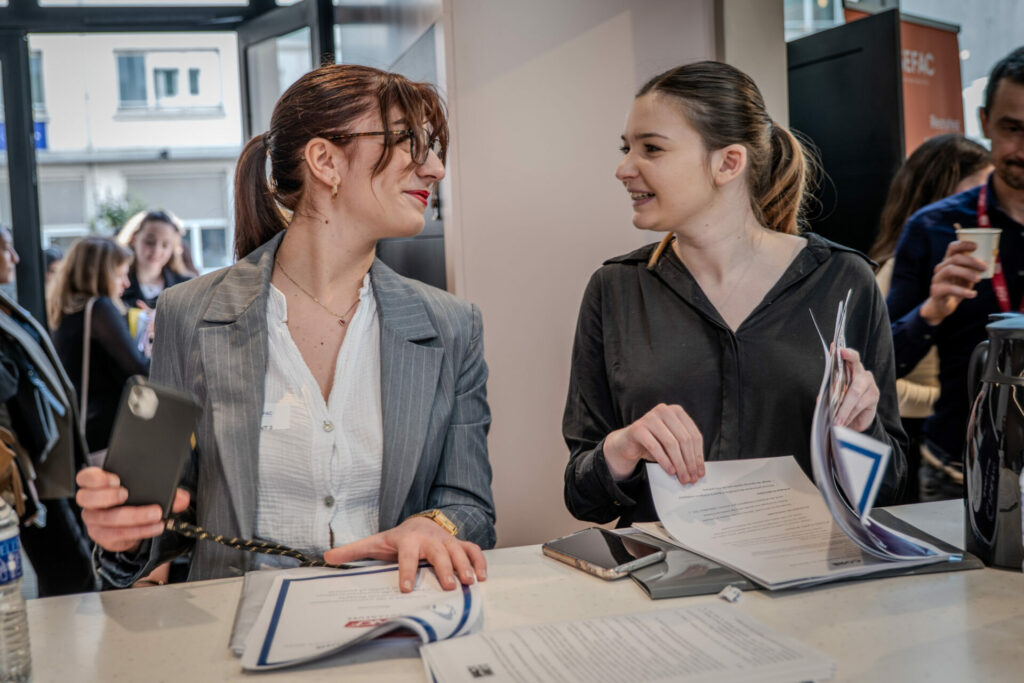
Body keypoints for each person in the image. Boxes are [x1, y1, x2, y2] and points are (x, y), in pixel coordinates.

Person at [76, 64, 495, 594]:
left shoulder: (452, 326)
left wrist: (431, 525)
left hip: (396, 621)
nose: (434, 167)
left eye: (434, 147)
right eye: (410, 141)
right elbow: (159, 525)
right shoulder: (190, 313)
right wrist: (124, 535)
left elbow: (470, 504)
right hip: (236, 640)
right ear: (325, 160)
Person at [563, 61, 907, 526]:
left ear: (728, 162)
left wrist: (862, 432)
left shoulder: (846, 282)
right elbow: (583, 497)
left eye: (651, 149)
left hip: (806, 578)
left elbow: (888, 488)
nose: (624, 169)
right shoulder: (615, 288)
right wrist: (621, 449)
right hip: (667, 584)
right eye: (627, 148)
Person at [887, 47, 1024, 500]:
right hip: (959, 469)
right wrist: (931, 311)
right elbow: (880, 361)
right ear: (985, 122)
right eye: (1012, 129)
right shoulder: (931, 227)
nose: (1022, 149)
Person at [868, 134, 991, 502]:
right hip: (919, 447)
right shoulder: (894, 273)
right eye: (976, 194)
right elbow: (878, 381)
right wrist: (951, 397)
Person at [0, 226, 96, 596]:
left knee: (75, 569)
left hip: (53, 465)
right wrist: (23, 476)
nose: (16, 258)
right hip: (32, 477)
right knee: (70, 575)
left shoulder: (5, 305)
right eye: (7, 249)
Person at [48, 237, 150, 453]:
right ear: (100, 275)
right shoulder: (99, 309)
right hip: (108, 434)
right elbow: (139, 369)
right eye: (120, 275)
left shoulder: (68, 310)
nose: (126, 283)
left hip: (85, 430)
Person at [115, 209, 193, 309]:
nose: (157, 251)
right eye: (149, 242)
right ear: (134, 240)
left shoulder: (186, 287)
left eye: (165, 245)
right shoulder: (116, 285)